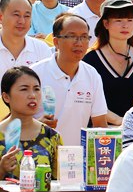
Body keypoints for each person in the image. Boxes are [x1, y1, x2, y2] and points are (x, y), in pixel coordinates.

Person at [32, 12, 108, 142]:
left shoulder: (92, 75)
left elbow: (100, 124)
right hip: (40, 152)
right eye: (72, 36)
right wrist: (37, 124)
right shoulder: (34, 74)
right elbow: (15, 120)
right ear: (56, 42)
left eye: (84, 37)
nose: (79, 43)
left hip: (78, 153)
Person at [81, 0, 133, 122]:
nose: (125, 25)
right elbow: (86, 100)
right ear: (106, 23)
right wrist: (118, 121)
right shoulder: (90, 60)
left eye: (130, 20)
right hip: (102, 129)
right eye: (118, 20)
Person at [0, 67, 61, 178]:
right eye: (24, 89)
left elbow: (61, 182)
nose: (32, 95)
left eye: (36, 89)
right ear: (6, 97)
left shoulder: (52, 136)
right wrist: (1, 169)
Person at [0, 0, 53, 73]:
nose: (22, 21)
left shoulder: (41, 49)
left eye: (27, 16)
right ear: (1, 17)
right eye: (16, 15)